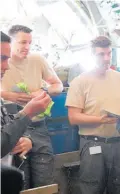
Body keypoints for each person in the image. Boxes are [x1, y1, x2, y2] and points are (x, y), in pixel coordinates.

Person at [66, 36, 120, 194]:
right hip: (93, 145)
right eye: (101, 54)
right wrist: (100, 120)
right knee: (91, 188)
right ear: (92, 55)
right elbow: (73, 117)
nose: (106, 58)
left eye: (109, 54)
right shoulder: (80, 82)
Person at [1, 25, 63, 189]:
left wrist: (42, 91)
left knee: (45, 183)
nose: (27, 47)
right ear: (10, 42)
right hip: (14, 128)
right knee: (21, 182)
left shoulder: (37, 60)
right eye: (22, 42)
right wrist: (10, 95)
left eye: (30, 43)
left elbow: (58, 85)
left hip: (39, 127)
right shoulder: (3, 66)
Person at [1, 31, 52, 158]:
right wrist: (27, 113)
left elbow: (6, 129)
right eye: (2, 59)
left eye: (30, 43)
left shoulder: (37, 60)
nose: (6, 67)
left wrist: (25, 139)